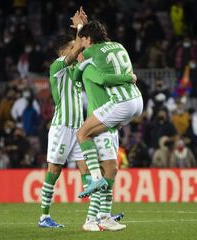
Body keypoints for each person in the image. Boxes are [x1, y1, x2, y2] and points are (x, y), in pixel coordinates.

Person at [38, 8, 127, 231]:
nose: (77, 51)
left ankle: (99, 213)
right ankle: (44, 216)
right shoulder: (57, 67)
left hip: (79, 128)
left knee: (88, 172)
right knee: (54, 171)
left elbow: (86, 51)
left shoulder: (79, 66)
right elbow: (80, 46)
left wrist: (86, 31)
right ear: (63, 52)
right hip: (61, 127)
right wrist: (81, 28)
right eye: (71, 48)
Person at [75, 20, 143, 198]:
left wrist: (80, 31)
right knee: (111, 162)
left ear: (89, 39)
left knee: (82, 134)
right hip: (137, 101)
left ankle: (96, 178)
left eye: (84, 40)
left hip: (121, 102)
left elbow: (77, 72)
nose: (82, 43)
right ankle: (104, 215)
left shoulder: (91, 51)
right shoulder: (119, 46)